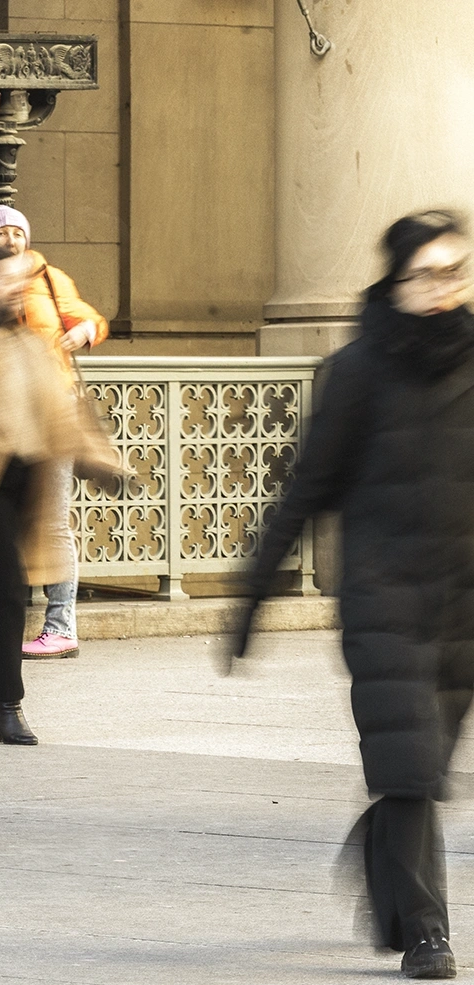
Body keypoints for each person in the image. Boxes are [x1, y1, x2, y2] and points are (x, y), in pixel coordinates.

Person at [233, 209, 474, 981]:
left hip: (464, 599)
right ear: (396, 279)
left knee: (426, 767)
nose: (444, 288)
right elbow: (309, 487)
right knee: (406, 767)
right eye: (429, 273)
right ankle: (427, 932)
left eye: (456, 271)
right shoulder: (359, 369)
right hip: (385, 599)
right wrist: (252, 597)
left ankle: (378, 853)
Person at [0, 245, 118, 745]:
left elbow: (60, 410)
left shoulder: (32, 342)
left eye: (22, 282)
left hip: (24, 491)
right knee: (10, 590)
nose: (17, 289)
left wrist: (100, 461)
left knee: (9, 594)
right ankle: (7, 708)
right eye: (6, 281)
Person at [0, 205, 109, 660]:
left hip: (51, 415)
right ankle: (2, 619)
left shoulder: (52, 279)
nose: (11, 240)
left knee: (53, 519)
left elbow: (88, 317)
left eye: (18, 232)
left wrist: (86, 332)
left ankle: (61, 626)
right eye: (1, 233)